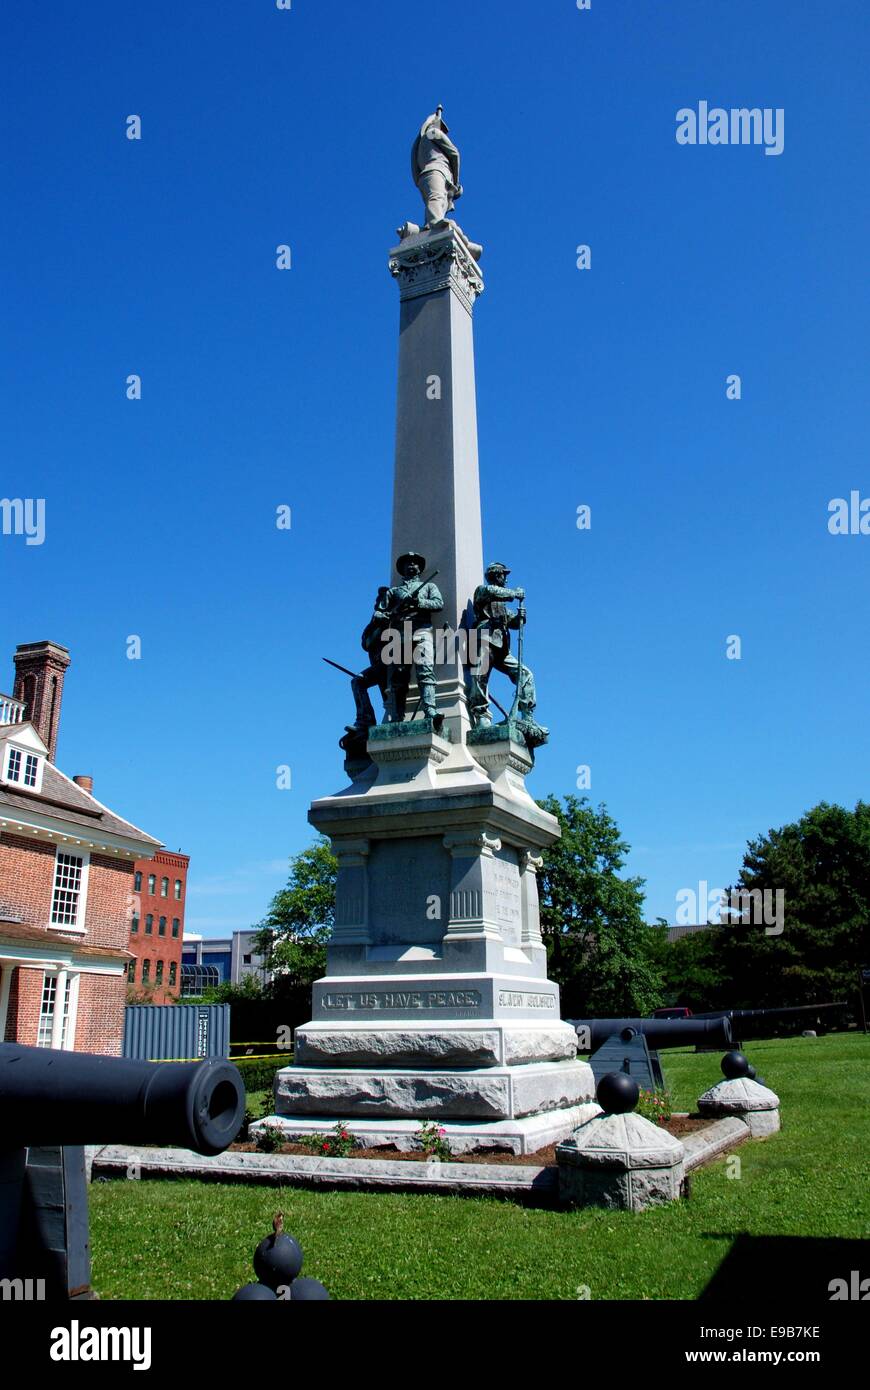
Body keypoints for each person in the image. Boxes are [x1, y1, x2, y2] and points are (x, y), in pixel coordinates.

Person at [467, 562, 543, 732]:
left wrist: (520, 618)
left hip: (501, 646)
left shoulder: (501, 606)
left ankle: (526, 715)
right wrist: (515, 594)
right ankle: (480, 715)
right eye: (503, 575)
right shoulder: (483, 591)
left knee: (525, 674)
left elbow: (513, 623)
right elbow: (495, 592)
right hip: (485, 639)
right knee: (480, 677)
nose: (506, 579)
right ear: (495, 575)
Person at [384, 552, 444, 727]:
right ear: (402, 569)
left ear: (419, 568)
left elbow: (438, 604)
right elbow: (381, 613)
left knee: (426, 671)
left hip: (421, 631)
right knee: (398, 678)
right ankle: (396, 716)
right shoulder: (393, 592)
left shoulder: (428, 586)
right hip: (399, 635)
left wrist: (418, 602)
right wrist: (390, 612)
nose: (411, 565)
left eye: (414, 563)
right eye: (407, 563)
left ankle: (430, 710)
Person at [411, 108, 462, 230]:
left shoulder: (419, 143)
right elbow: (455, 153)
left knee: (438, 204)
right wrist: (456, 181)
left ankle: (432, 225)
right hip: (436, 172)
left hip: (425, 177)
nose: (443, 131)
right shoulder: (432, 132)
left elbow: (414, 166)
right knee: (436, 200)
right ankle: (435, 224)